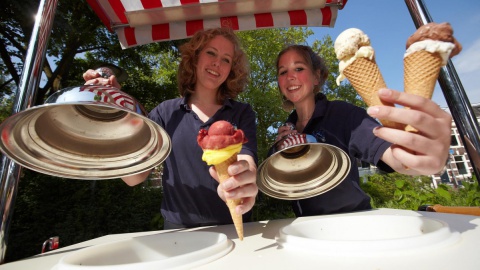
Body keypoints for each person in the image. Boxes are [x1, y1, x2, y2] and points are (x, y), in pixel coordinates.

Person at [83, 27, 258, 229]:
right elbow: (134, 177)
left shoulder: (242, 113)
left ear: (231, 70)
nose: (217, 62)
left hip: (235, 227)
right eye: (210, 52)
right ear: (195, 58)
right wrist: (118, 111)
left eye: (226, 59)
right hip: (178, 233)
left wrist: (244, 179)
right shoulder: (165, 113)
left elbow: (247, 160)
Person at [271, 44, 452, 216]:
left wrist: (422, 156)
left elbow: (393, 156)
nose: (290, 77)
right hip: (305, 229)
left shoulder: (343, 114)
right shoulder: (287, 129)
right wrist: (281, 153)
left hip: (353, 222)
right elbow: (276, 185)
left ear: (316, 76)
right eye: (283, 72)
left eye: (299, 68)